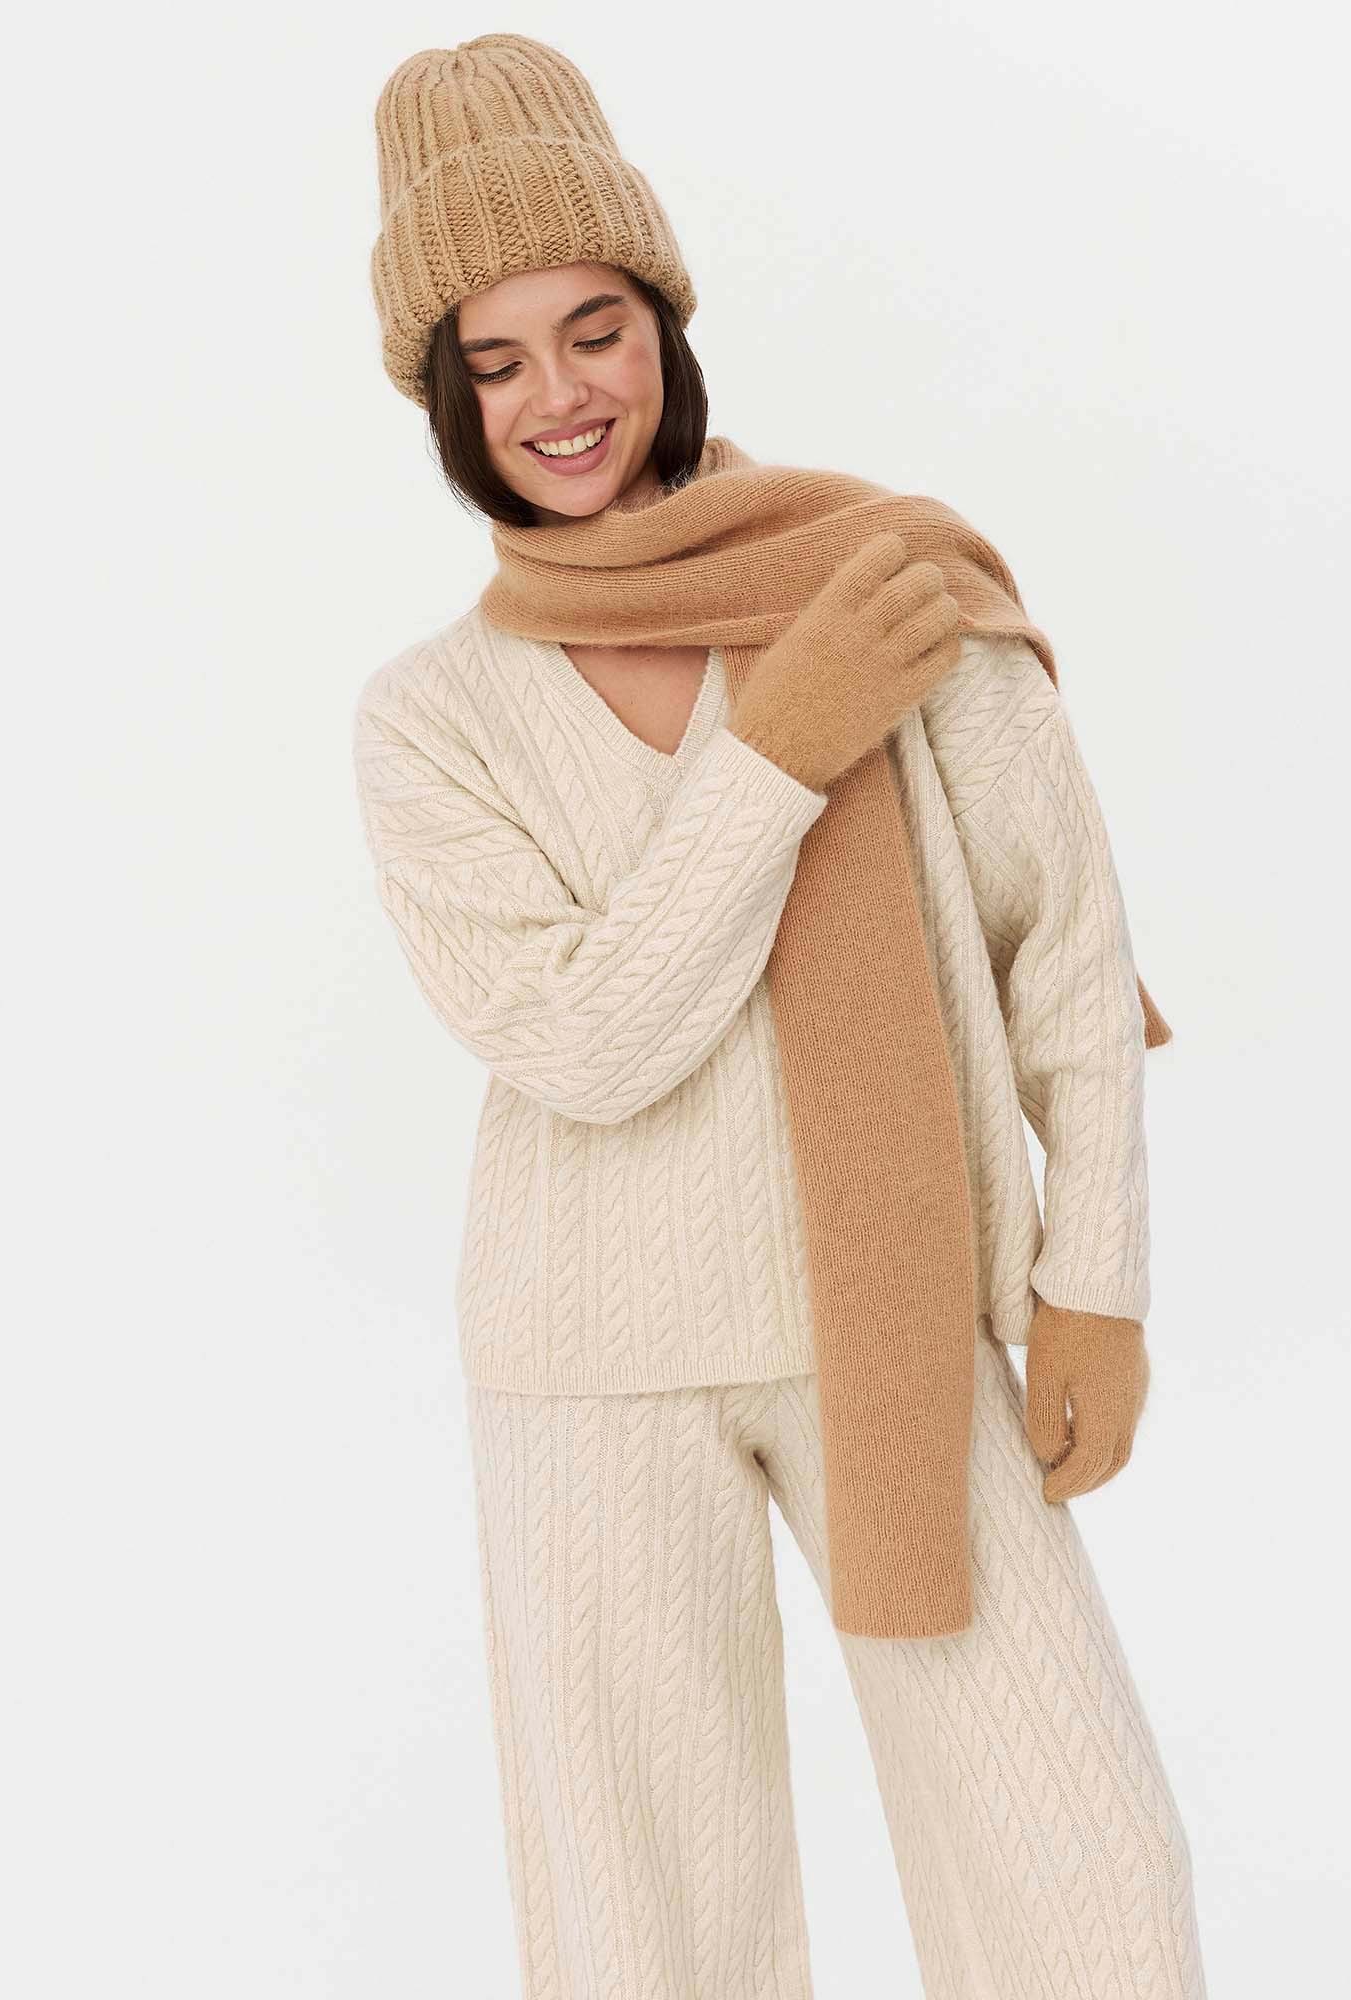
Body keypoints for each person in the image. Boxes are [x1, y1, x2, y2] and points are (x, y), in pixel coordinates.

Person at [352, 32, 1207, 2000]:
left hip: (886, 1311)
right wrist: (780, 752)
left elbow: (1067, 951)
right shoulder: (430, 717)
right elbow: (585, 1047)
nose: (562, 396)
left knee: (1085, 1880)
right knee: (654, 1929)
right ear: (446, 399)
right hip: (588, 1357)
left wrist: (1095, 1280)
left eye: (595, 330)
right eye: (498, 362)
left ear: (663, 324)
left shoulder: (881, 586)